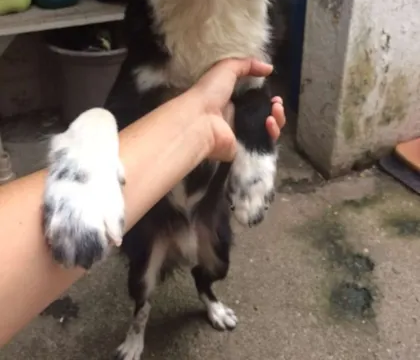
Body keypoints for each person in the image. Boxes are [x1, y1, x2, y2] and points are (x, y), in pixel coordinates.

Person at [0, 57, 285, 346]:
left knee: (217, 267)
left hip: (207, 211)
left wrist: (236, 132)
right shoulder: (143, 69)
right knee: (141, 281)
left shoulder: (248, 68)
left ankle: (207, 295)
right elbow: (116, 114)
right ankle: (138, 325)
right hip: (156, 219)